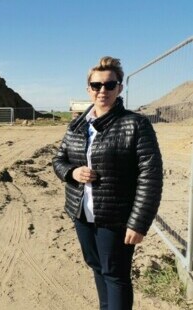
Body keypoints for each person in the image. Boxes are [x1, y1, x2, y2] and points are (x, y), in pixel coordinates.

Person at [52, 56, 163, 310]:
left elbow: (151, 176)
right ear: (88, 88)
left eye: (109, 85)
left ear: (119, 88)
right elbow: (58, 160)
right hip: (82, 215)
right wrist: (72, 173)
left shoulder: (136, 124)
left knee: (116, 276)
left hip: (116, 218)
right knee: (97, 268)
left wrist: (139, 222)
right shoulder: (78, 125)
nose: (103, 91)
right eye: (96, 85)